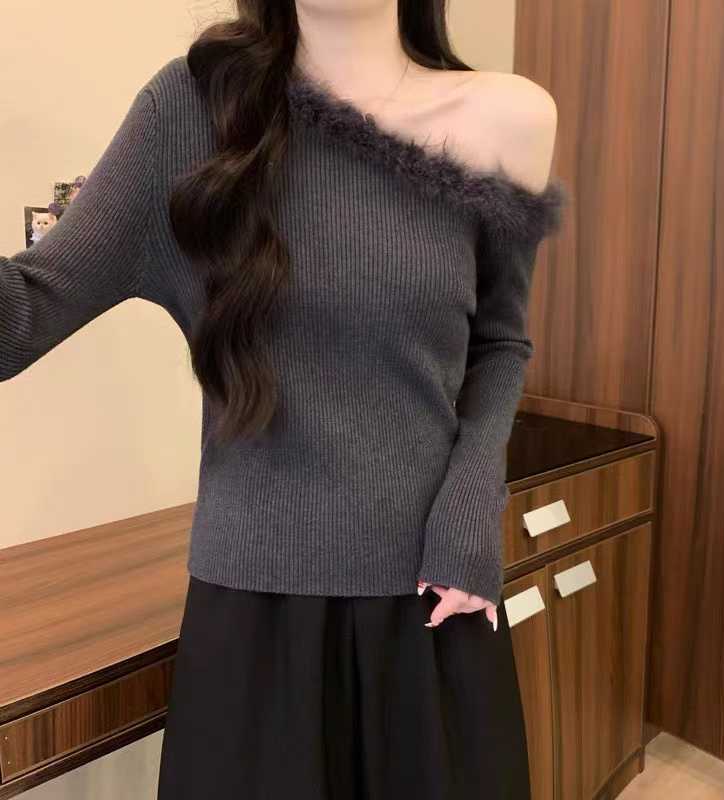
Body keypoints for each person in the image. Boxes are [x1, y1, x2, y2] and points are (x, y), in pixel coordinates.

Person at [0, 0, 566, 796]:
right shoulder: (192, 111)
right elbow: (22, 316)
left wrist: (471, 506)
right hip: (254, 624)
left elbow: (499, 343)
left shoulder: (508, 118)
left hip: (434, 597)